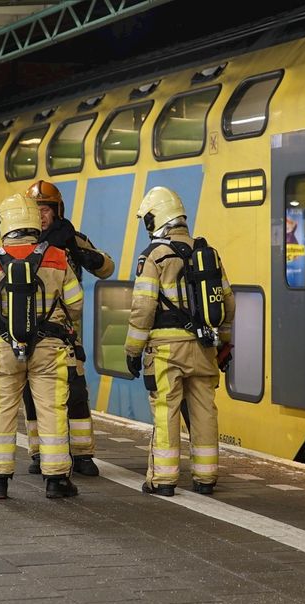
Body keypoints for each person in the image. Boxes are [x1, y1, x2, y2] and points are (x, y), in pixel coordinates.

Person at [0, 193, 84, 500]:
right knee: (52, 411)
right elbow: (76, 302)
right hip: (48, 348)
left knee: (1, 412)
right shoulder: (56, 256)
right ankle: (56, 481)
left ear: (3, 223)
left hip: (3, 349)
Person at [125, 187, 235, 497]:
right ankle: (205, 477)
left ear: (157, 219)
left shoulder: (154, 257)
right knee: (204, 410)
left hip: (166, 350)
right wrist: (224, 344)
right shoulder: (208, 253)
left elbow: (143, 308)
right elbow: (228, 303)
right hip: (204, 348)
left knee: (166, 410)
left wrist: (133, 350)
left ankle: (163, 479)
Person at [20, 180, 114, 477]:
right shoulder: (19, 243)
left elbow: (107, 267)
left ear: (57, 211)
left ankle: (83, 454)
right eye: (36, 210)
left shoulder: (71, 237)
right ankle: (39, 453)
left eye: (45, 209)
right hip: (28, 328)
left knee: (75, 391)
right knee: (30, 394)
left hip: (66, 330)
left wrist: (80, 250)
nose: (41, 216)